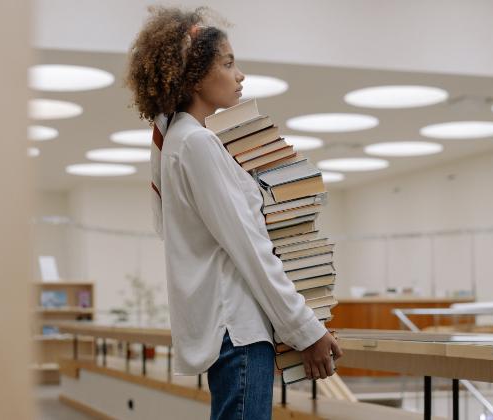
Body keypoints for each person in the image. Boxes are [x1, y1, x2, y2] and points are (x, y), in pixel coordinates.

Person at [125, 6, 343, 420]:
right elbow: (249, 248)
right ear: (194, 75)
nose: (239, 74)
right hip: (237, 329)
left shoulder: (183, 140)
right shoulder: (196, 144)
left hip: (230, 329)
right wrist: (307, 329)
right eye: (228, 63)